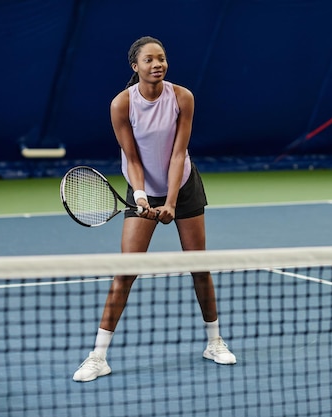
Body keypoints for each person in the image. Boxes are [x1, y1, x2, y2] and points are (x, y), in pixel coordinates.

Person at [73, 36, 236, 382]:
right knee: (126, 272)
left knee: (199, 266)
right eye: (149, 60)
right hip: (141, 189)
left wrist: (172, 202)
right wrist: (142, 196)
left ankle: (214, 342)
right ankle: (98, 356)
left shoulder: (182, 97)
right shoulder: (121, 104)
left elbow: (178, 153)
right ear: (136, 67)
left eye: (161, 58)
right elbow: (131, 157)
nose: (157, 64)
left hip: (185, 187)